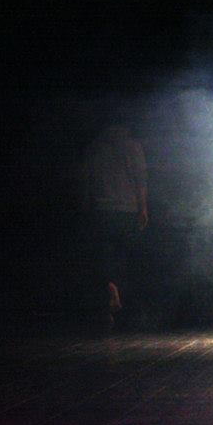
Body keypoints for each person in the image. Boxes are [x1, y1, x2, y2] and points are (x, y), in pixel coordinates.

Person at [81, 123, 149, 329]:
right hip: (127, 210)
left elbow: (86, 180)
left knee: (104, 257)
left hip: (102, 209)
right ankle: (123, 305)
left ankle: (110, 290)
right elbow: (140, 179)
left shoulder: (95, 147)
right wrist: (143, 208)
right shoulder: (132, 146)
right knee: (124, 258)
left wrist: (86, 206)